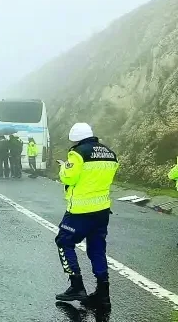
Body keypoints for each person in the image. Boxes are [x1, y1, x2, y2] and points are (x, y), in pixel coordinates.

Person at [54, 123, 118, 311]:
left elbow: (68, 178)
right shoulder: (110, 153)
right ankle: (103, 293)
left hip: (80, 211)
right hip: (102, 210)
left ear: (75, 138)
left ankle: (76, 286)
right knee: (97, 249)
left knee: (64, 241)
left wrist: (65, 167)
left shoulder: (77, 154)